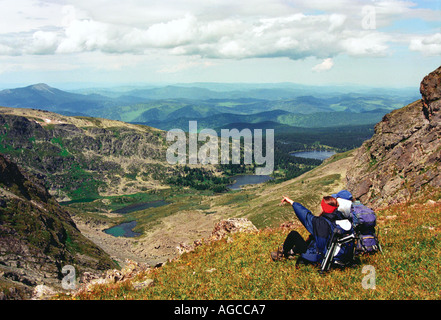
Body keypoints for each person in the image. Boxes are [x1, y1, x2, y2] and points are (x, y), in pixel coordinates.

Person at [271, 195, 346, 265]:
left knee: (293, 235)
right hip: (335, 255)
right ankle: (292, 251)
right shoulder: (340, 217)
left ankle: (282, 254)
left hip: (319, 256)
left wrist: (292, 202)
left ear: (324, 208)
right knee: (311, 237)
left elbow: (305, 214)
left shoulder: (320, 222)